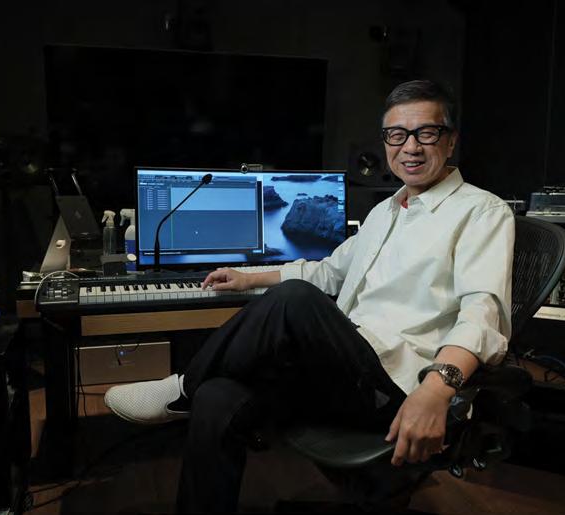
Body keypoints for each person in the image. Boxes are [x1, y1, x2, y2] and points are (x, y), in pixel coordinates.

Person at [104, 79, 515, 512]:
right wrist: (248, 278)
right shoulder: (385, 211)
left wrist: (436, 390)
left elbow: (482, 312)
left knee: (296, 299)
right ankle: (196, 399)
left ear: (450, 141)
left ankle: (183, 387)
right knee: (218, 396)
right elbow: (328, 271)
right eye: (397, 135)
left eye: (425, 133)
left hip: (400, 384)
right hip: (342, 373)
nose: (410, 147)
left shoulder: (482, 212)